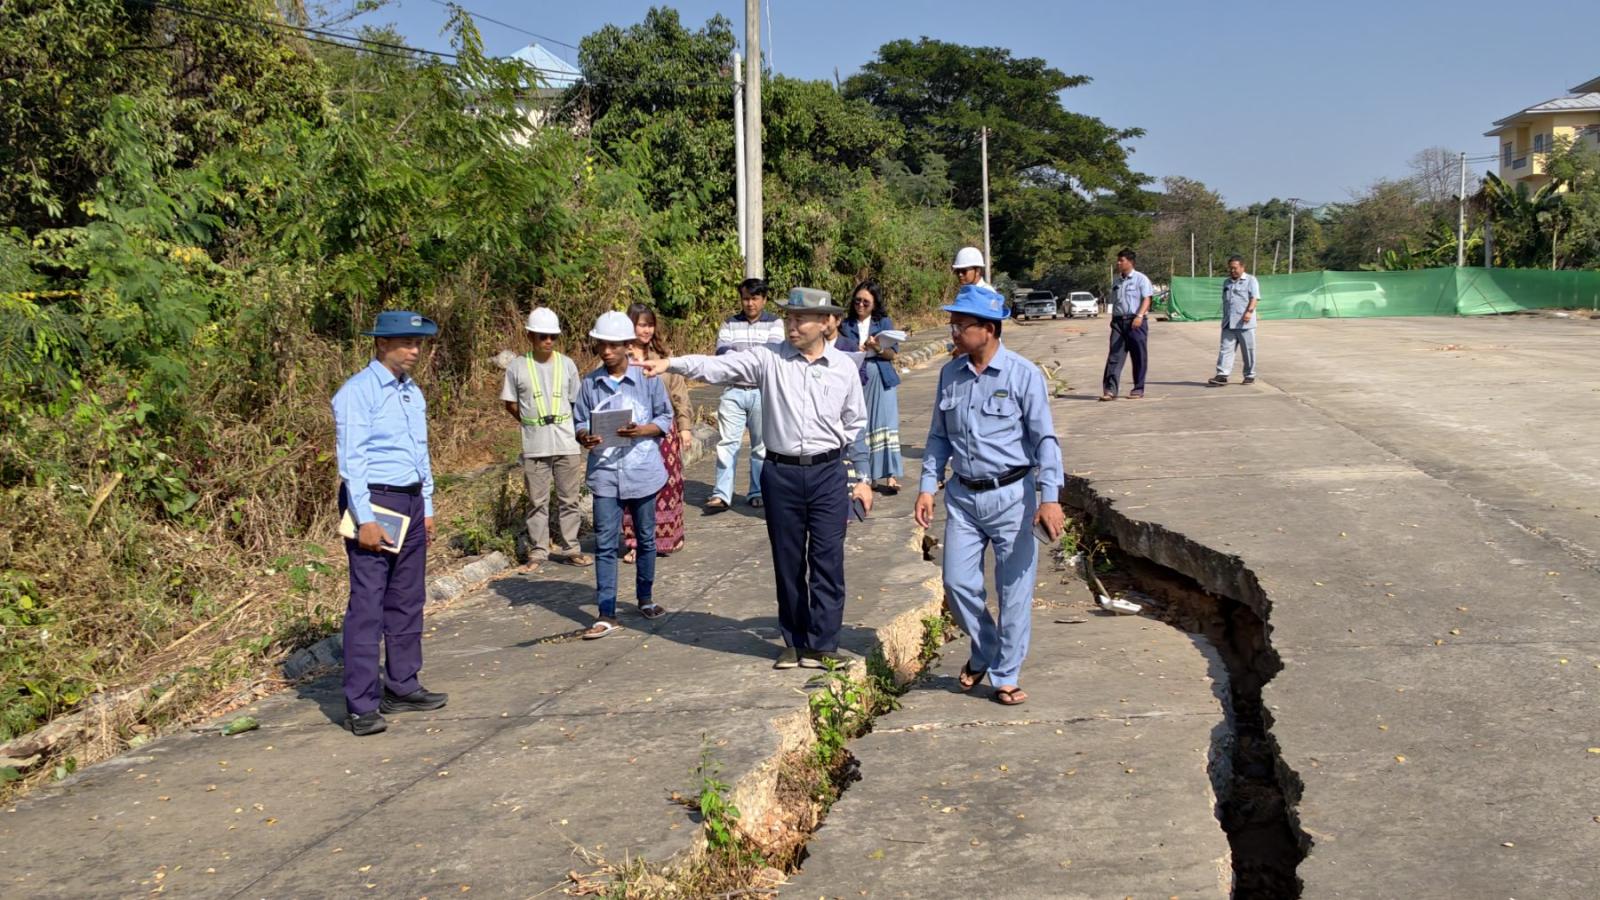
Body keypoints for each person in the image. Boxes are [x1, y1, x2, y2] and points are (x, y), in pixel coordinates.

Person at [641, 288, 872, 670]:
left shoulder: (844, 367)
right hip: (781, 473)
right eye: (789, 317)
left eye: (800, 319)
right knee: (788, 561)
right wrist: (670, 364)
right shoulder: (769, 359)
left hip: (828, 474)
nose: (792, 326)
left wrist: (853, 470)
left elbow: (855, 422)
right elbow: (718, 368)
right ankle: (795, 642)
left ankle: (823, 645)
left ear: (825, 322)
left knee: (828, 561)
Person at [914, 285, 1066, 706]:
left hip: (1013, 497)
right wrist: (927, 486)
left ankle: (1005, 674)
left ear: (990, 329)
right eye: (953, 324)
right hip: (963, 498)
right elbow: (938, 437)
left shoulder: (1023, 374)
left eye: (961, 325)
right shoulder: (950, 374)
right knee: (957, 582)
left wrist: (1050, 497)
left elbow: (1045, 440)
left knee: (1014, 591)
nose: (954, 332)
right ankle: (986, 647)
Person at [332, 310, 449, 736]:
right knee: (368, 603)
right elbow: (352, 461)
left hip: (411, 500)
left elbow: (420, 451)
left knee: (407, 598)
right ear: (382, 343)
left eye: (418, 344)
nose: (414, 351)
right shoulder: (357, 392)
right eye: (405, 343)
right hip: (376, 500)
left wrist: (428, 504)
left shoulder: (411, 392)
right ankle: (361, 704)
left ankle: (402, 684)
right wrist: (364, 518)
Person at [573, 311, 674, 639]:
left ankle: (645, 597)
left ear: (627, 345)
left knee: (645, 538)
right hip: (605, 473)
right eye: (601, 345)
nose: (606, 351)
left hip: (642, 469)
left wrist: (642, 430)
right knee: (605, 543)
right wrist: (584, 436)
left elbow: (665, 416)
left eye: (613, 345)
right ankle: (606, 612)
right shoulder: (590, 383)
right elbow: (578, 420)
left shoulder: (647, 378)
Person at [500, 307, 591, 572]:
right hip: (535, 444)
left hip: (566, 441)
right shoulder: (517, 366)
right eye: (542, 336)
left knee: (569, 499)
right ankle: (538, 550)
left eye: (553, 336)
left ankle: (571, 547)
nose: (548, 341)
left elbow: (577, 403)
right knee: (537, 501)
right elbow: (510, 403)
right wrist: (531, 423)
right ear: (530, 336)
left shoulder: (567, 364)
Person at [708, 278, 784, 510]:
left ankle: (757, 491)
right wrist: (750, 358)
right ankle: (722, 494)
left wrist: (740, 358)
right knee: (727, 444)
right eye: (746, 298)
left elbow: (771, 353)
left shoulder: (775, 323)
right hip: (733, 390)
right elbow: (723, 352)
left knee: (761, 446)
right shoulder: (729, 323)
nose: (750, 303)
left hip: (762, 391)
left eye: (754, 298)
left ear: (764, 299)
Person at [622, 302, 690, 560]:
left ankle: (667, 539)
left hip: (663, 431)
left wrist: (684, 427)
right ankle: (635, 543)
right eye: (641, 325)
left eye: (650, 325)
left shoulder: (663, 355)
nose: (647, 330)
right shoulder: (620, 357)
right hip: (633, 431)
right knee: (635, 487)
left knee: (667, 485)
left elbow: (679, 392)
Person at [838, 280, 904, 494]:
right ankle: (869, 475)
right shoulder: (846, 325)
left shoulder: (883, 322)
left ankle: (891, 474)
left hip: (882, 377)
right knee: (862, 425)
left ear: (874, 304)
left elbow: (892, 354)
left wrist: (877, 347)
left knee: (886, 424)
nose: (860, 305)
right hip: (858, 377)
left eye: (866, 302)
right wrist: (855, 350)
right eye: (857, 301)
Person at [1101, 248, 1154, 401]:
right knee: (1114, 356)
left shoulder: (1141, 279)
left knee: (1138, 356)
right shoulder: (1116, 281)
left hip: (1135, 322)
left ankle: (1138, 388)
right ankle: (1110, 390)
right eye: (1118, 260)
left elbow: (1147, 299)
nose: (1118, 263)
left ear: (1130, 262)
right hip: (1118, 323)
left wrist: (1139, 315)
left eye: (1121, 260)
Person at [1210, 255, 1259, 385]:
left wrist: (1249, 312)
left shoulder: (1251, 280)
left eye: (1235, 268)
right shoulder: (1227, 282)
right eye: (1230, 268)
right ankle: (1222, 375)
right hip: (1228, 323)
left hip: (1245, 323)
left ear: (1242, 267)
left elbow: (1254, 298)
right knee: (1225, 349)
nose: (1232, 271)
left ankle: (1249, 375)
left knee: (1248, 350)